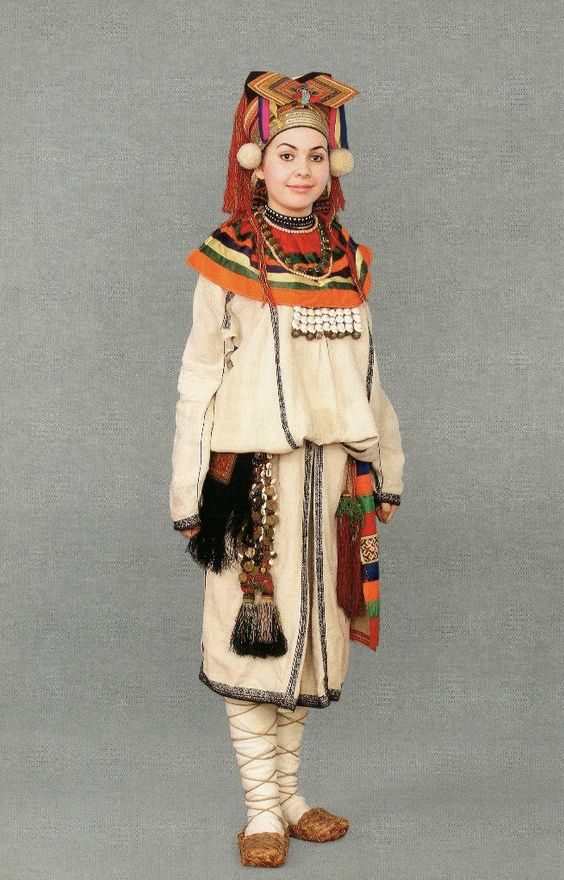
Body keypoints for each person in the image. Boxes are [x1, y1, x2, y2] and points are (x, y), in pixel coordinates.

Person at [169, 71, 406, 868]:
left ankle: (292, 794)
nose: (301, 169)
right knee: (256, 640)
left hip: (332, 477)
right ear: (256, 163)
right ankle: (260, 808)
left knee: (312, 634)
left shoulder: (347, 262)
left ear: (332, 167)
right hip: (252, 480)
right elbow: (197, 378)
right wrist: (188, 487)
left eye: (315, 155)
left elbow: (369, 374)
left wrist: (385, 466)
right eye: (285, 154)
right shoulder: (227, 258)